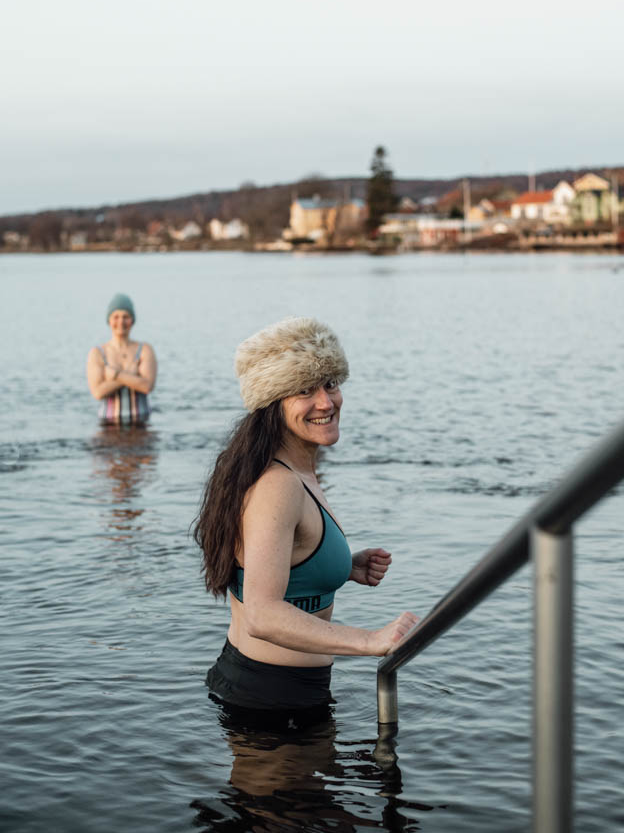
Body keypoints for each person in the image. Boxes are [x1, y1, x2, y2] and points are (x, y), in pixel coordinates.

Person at [195, 316, 418, 728]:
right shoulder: (277, 484)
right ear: (272, 402)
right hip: (267, 700)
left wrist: (341, 566)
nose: (325, 401)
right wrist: (371, 640)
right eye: (304, 390)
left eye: (330, 383)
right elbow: (262, 614)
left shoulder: (296, 470)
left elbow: (274, 567)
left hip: (281, 691)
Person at [86, 293, 157, 425]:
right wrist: (132, 375)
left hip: (141, 423)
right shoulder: (98, 353)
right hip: (108, 425)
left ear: (132, 320)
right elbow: (98, 392)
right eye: (116, 317)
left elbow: (147, 386)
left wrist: (115, 375)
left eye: (126, 317)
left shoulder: (145, 350)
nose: (121, 322)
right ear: (109, 320)